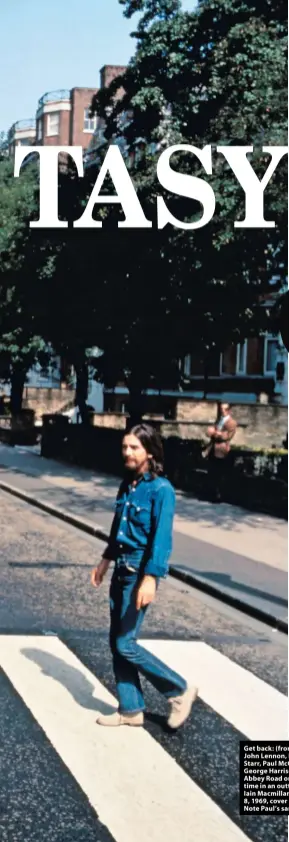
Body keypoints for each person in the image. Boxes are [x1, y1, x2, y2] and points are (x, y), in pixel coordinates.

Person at [91, 423, 198, 729]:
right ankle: (131, 709)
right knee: (116, 641)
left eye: (134, 447)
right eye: (125, 447)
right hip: (121, 566)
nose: (127, 452)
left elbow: (161, 539)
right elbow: (118, 529)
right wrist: (104, 561)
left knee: (126, 643)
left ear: (149, 452)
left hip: (138, 571)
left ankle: (179, 690)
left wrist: (151, 578)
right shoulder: (128, 485)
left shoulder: (161, 490)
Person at [206, 402, 237, 502]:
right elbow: (214, 432)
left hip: (222, 450)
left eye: (223, 409)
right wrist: (213, 432)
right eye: (221, 409)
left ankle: (219, 496)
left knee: (220, 473)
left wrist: (215, 433)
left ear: (228, 410)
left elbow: (227, 436)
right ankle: (211, 493)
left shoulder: (232, 423)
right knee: (212, 472)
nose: (221, 411)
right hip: (213, 448)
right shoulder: (219, 420)